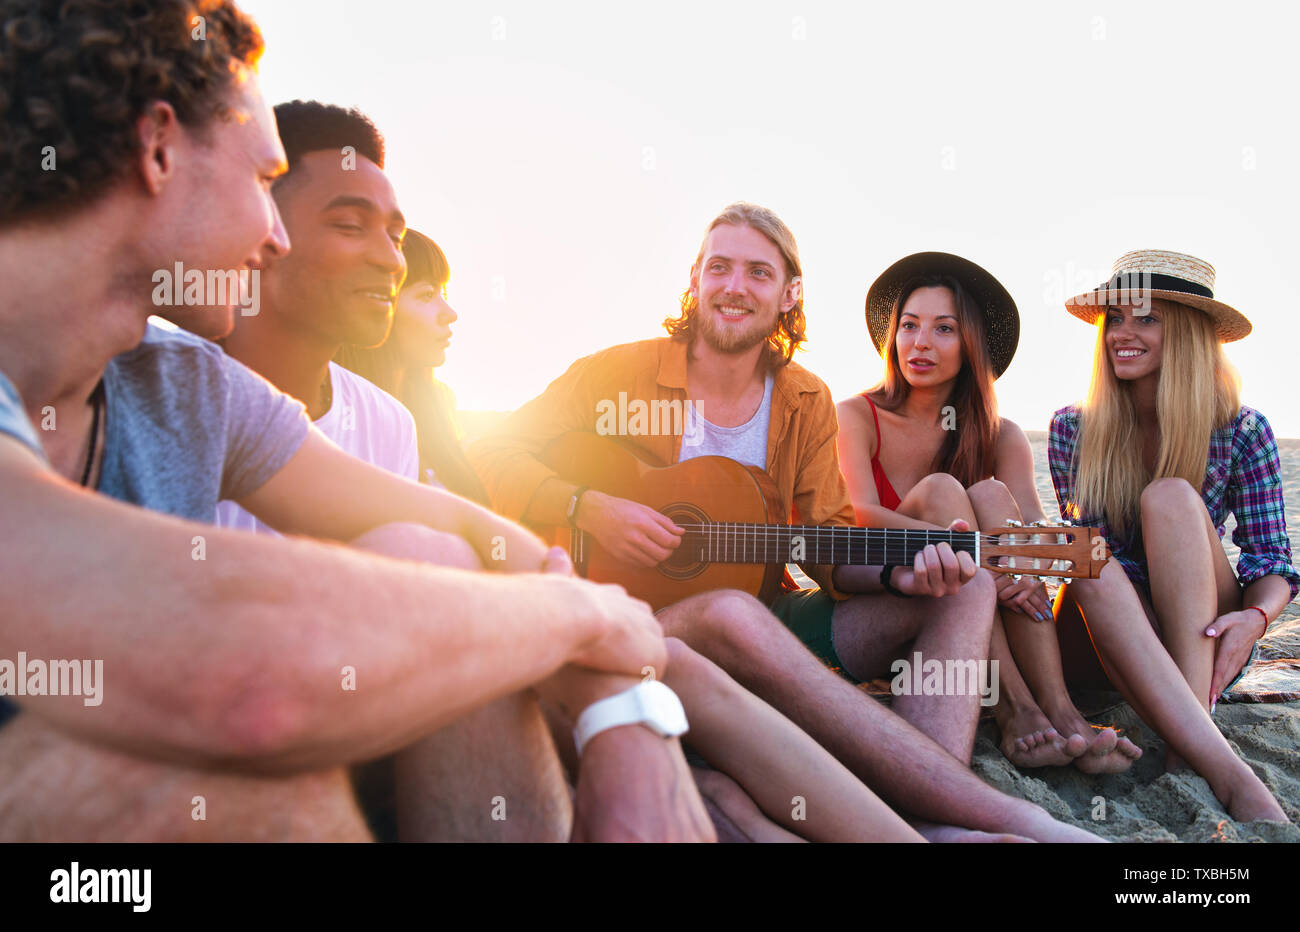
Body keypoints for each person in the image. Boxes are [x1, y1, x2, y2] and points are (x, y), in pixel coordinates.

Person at [0, 0, 710, 842]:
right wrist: (586, 619)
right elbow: (247, 675)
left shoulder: (185, 385)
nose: (274, 237)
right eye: (267, 182)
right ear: (158, 147)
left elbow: (467, 539)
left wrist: (625, 710)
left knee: (425, 561)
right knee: (255, 798)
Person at [470, 203, 1102, 841]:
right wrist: (586, 507)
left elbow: (824, 545)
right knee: (727, 612)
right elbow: (489, 450)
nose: (735, 286)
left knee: (968, 587)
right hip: (634, 621)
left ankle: (925, 810)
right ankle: (1004, 819)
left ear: (789, 292)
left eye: (758, 272)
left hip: (767, 616)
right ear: (694, 278)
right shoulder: (618, 373)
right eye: (720, 267)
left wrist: (897, 577)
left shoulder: (803, 398)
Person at [836, 252, 1141, 772]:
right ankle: (1013, 709)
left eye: (944, 329)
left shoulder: (1002, 436)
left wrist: (1018, 562)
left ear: (972, 344)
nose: (920, 342)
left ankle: (1061, 710)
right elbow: (856, 513)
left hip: (975, 616)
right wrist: (978, 551)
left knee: (1001, 504)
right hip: (889, 609)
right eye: (908, 326)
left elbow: (1041, 535)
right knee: (943, 493)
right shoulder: (857, 415)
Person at [1034, 250, 1289, 823]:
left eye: (1145, 318)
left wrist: (1257, 619)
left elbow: (1271, 558)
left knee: (1170, 496)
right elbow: (1081, 553)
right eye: (1116, 319)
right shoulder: (1073, 427)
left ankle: (1184, 745)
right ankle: (1223, 765)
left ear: (1188, 333)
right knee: (1090, 562)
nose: (1123, 333)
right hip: (1109, 631)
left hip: (1199, 634)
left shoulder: (1241, 429)